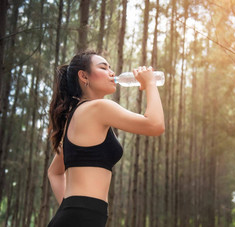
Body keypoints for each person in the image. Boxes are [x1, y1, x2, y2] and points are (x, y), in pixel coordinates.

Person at [47, 50, 164, 226]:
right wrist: (150, 84)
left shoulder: (76, 116)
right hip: (80, 218)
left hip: (78, 217)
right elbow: (155, 125)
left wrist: (70, 207)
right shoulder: (99, 108)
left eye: (111, 68)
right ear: (84, 76)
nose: (112, 72)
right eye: (103, 67)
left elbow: (54, 172)